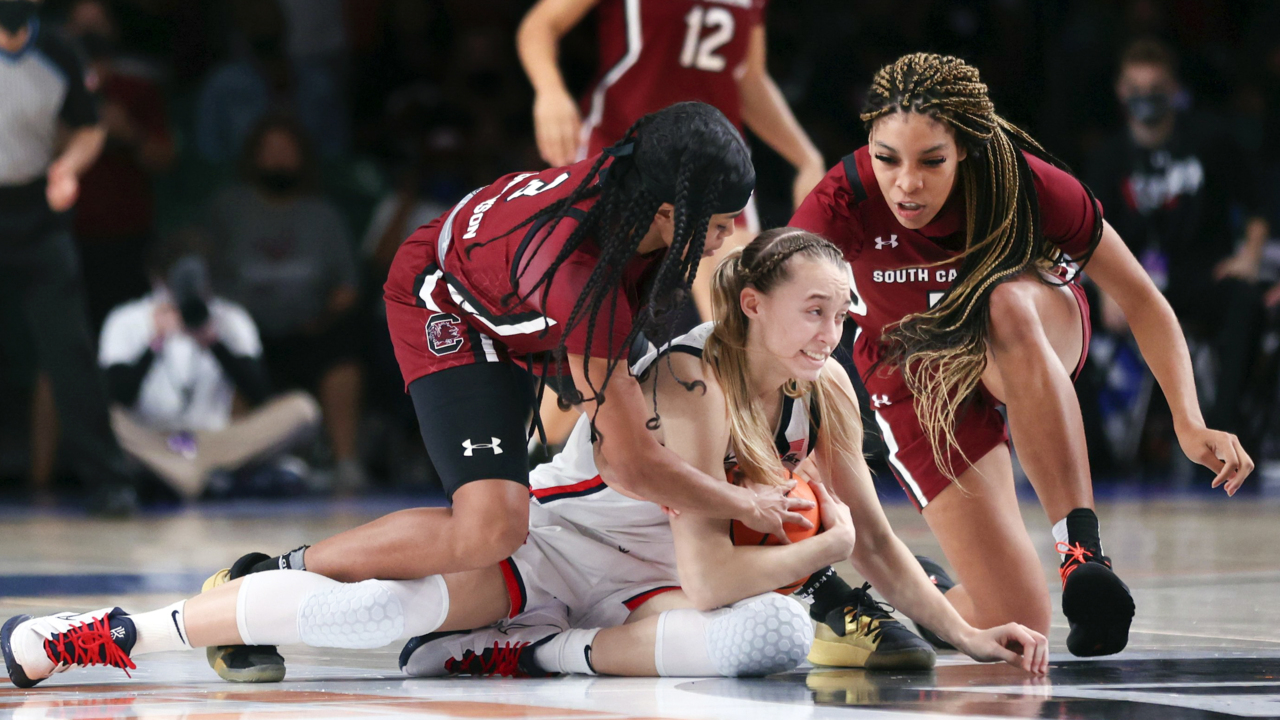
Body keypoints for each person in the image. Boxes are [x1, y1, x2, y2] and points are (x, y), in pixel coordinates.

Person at [1, 230, 1049, 688]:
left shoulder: (820, 392)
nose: (833, 329)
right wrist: (811, 538)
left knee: (770, 638)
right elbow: (716, 571)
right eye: (813, 309)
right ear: (749, 305)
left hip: (632, 594)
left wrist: (960, 633)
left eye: (841, 311)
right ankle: (107, 632)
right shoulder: (685, 381)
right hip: (551, 549)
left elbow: (866, 532)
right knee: (376, 618)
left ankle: (539, 657)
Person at [199, 102, 810, 680]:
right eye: (721, 221)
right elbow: (628, 464)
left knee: (620, 421)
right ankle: (260, 578)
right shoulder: (580, 272)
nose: (728, 237)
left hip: (518, 289)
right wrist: (745, 506)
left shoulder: (640, 182)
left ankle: (519, 604)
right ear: (669, 212)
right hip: (444, 302)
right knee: (491, 526)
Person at [790, 52, 1253, 658]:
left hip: (1030, 332)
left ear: (966, 149)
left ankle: (1081, 552)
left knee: (1004, 302)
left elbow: (1141, 298)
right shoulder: (840, 202)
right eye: (887, 159)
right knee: (1014, 626)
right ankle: (926, 590)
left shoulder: (1023, 182)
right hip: (916, 375)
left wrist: (1188, 421)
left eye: (931, 161)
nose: (907, 182)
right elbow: (775, 324)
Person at [516, 0, 826, 320]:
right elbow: (540, 25)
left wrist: (806, 157)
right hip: (623, 145)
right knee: (591, 319)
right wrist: (549, 90)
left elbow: (749, 78)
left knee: (742, 317)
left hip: (712, 160)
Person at [1085, 38, 1268, 441]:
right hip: (1130, 285)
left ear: (1173, 90)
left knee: (1247, 302)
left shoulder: (1210, 140)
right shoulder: (1108, 158)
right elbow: (1088, 231)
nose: (1144, 97)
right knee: (1062, 310)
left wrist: (1249, 257)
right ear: (1120, 91)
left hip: (1197, 278)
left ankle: (1224, 431)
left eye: (1155, 87)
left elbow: (1259, 201)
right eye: (1135, 87)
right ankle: (1094, 453)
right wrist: (1103, 292)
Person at [0, 0, 137, 514]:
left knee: (70, 350)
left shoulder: (58, 50)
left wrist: (69, 168)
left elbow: (90, 125)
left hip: (37, 211)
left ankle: (109, 481)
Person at [204, 115, 365, 491]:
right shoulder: (228, 209)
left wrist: (322, 320)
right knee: (225, 356)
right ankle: (227, 466)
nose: (278, 160)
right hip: (244, 335)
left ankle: (345, 463)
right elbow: (204, 272)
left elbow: (348, 288)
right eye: (269, 150)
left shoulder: (322, 216)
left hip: (310, 331)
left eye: (287, 151)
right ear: (253, 157)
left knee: (344, 353)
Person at [99, 246, 320, 500]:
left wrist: (214, 342)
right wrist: (154, 344)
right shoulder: (128, 318)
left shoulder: (230, 317)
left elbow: (260, 394)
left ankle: (186, 478)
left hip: (215, 442)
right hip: (153, 441)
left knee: (303, 408)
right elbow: (118, 395)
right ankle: (208, 478)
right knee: (97, 415)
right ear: (157, 279)